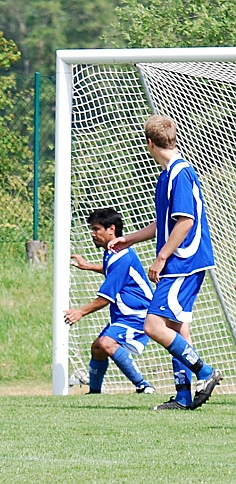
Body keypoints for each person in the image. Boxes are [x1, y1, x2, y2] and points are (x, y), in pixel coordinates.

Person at [108, 114, 222, 411]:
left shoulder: (180, 173)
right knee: (176, 326)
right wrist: (129, 239)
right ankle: (184, 396)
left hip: (183, 262)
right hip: (182, 262)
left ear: (149, 143)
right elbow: (165, 224)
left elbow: (185, 221)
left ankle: (206, 372)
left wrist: (161, 258)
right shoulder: (167, 175)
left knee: (153, 325)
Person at [64, 208, 155, 395]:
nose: (92, 234)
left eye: (96, 229)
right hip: (125, 315)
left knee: (107, 343)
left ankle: (144, 386)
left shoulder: (122, 257)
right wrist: (89, 266)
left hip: (139, 314)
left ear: (111, 229)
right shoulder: (113, 253)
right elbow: (111, 270)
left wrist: (80, 312)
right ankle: (94, 393)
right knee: (97, 348)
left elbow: (106, 298)